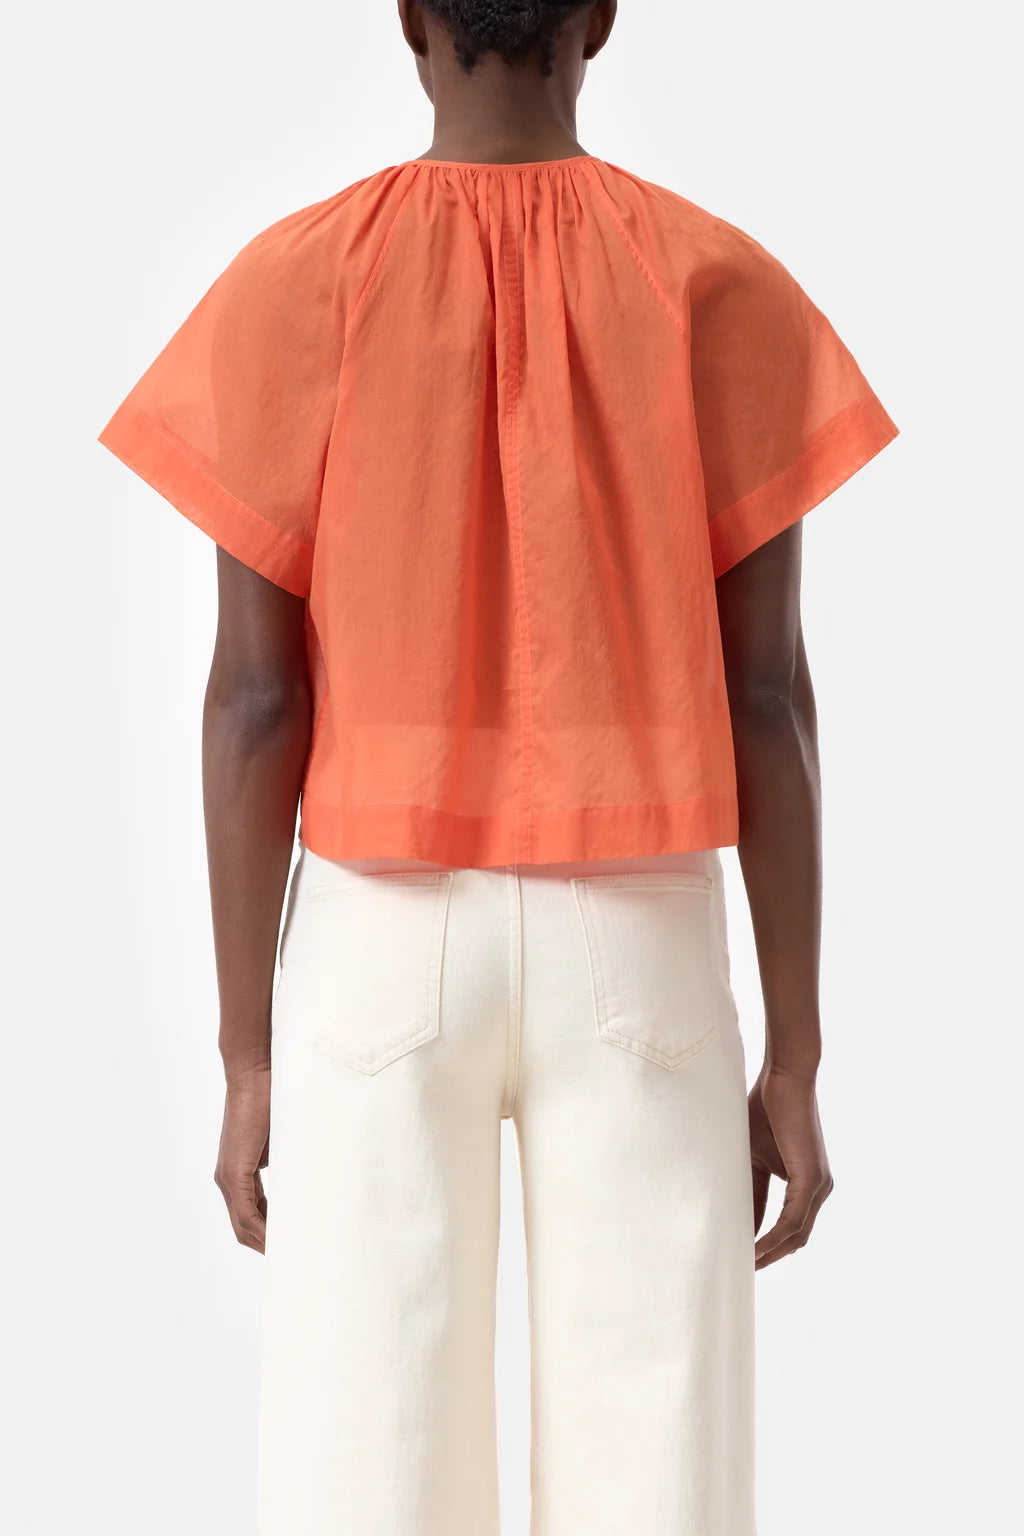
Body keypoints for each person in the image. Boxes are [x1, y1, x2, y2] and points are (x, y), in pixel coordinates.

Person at [97, 1, 898, 1530]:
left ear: (410, 16)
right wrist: (795, 1053)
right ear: (600, 16)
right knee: (658, 1470)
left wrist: (249, 1057)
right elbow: (768, 696)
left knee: (362, 1463)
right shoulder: (713, 281)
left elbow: (256, 705)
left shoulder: (295, 282)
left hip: (378, 934)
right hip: (641, 924)